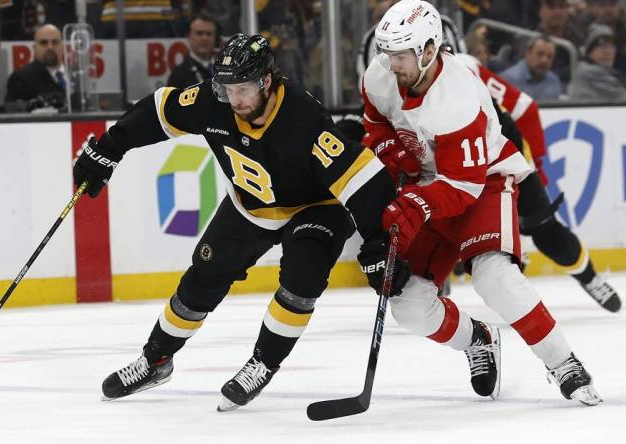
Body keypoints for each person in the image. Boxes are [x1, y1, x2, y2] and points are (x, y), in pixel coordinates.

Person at [72, 33, 409, 411]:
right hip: (251, 205)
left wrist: (380, 243)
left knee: (303, 275)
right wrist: (108, 149)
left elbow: (365, 179)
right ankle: (155, 361)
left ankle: (263, 362)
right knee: (203, 277)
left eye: (244, 88)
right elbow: (158, 110)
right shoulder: (215, 101)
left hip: (317, 205)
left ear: (267, 80)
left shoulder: (303, 119)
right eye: (228, 89)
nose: (235, 99)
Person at [362, 0, 600, 405]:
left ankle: (563, 363)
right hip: (430, 183)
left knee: (493, 275)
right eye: (388, 52)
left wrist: (414, 203)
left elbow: (462, 188)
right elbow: (375, 123)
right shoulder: (380, 74)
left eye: (400, 54)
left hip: (482, 182)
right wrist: (393, 152)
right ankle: (478, 340)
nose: (391, 63)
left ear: (429, 51)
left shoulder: (458, 97)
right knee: (409, 306)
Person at [456, 51, 622, 312]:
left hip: (503, 154)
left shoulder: (461, 67)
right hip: (454, 163)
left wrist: (538, 165)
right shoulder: (393, 82)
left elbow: (524, 107)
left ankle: (589, 277)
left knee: (545, 230)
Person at [567, 24, 626, 101]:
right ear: (590, 52)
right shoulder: (590, 72)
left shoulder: (602, 71)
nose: (608, 52)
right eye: (603, 47)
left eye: (611, 47)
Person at [5, 24, 66, 110]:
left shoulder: (76, 75)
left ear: (62, 46)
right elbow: (12, 114)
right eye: (44, 43)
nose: (50, 47)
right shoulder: (21, 78)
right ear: (34, 47)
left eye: (55, 42)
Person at [500, 34, 562, 101]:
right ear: (527, 54)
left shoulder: (554, 81)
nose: (544, 61)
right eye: (540, 54)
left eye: (549, 56)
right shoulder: (509, 79)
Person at [166, 14, 220, 88]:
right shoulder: (178, 75)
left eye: (209, 34)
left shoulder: (225, 69)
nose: (205, 38)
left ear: (215, 37)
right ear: (189, 36)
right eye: (199, 33)